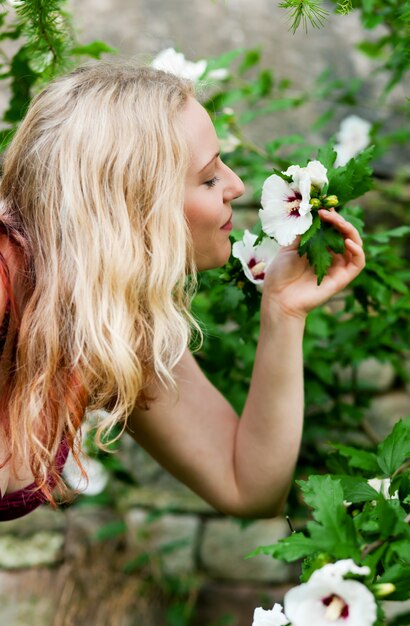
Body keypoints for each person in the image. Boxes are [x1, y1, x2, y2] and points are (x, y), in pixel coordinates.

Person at [0, 62, 365, 521]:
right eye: (210, 177)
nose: (237, 185)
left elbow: (247, 487)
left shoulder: (119, 320)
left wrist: (284, 312)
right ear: (132, 209)